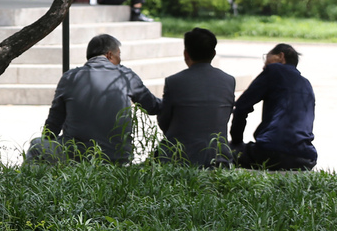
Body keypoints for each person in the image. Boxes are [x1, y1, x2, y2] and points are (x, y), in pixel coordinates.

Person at [26, 34, 162, 164]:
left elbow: (54, 123)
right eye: (118, 56)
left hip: (75, 156)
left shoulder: (70, 77)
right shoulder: (125, 75)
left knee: (36, 146)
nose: (120, 61)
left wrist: (47, 142)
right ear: (109, 55)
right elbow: (152, 107)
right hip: (118, 156)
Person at [230, 44, 317, 170]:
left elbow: (242, 106)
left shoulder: (274, 70)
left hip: (271, 152)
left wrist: (236, 141)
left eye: (267, 57)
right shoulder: (306, 84)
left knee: (222, 151)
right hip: (305, 157)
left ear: (281, 56)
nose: (264, 64)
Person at [156, 28, 235, 167]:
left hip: (179, 158)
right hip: (217, 158)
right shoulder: (228, 80)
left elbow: (164, 121)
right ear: (214, 53)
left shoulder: (174, 81)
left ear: (186, 53)